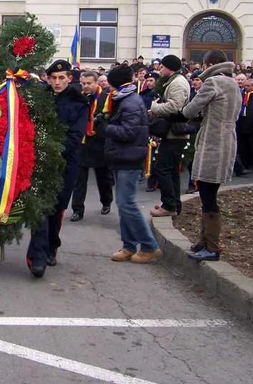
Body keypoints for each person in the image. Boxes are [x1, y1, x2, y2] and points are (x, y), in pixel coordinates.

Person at [26, 60, 88, 277]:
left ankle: (52, 245)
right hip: (39, 163)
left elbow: (75, 136)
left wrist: (53, 150)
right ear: (48, 78)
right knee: (40, 208)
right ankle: (38, 257)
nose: (57, 82)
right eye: (53, 78)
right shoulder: (40, 98)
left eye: (62, 78)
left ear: (70, 79)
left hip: (65, 163)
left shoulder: (79, 103)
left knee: (56, 209)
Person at [178, 50, 241, 262]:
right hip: (227, 139)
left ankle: (212, 247)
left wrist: (189, 106)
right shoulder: (233, 83)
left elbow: (189, 111)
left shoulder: (213, 82)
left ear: (210, 64)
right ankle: (204, 241)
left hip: (213, 141)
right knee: (208, 192)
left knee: (207, 194)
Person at [104, 64, 162, 264]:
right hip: (123, 157)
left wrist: (108, 127)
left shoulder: (130, 102)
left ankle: (149, 246)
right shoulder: (126, 99)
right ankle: (129, 245)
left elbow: (129, 132)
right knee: (123, 204)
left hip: (129, 157)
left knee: (126, 203)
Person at [149, 54, 191, 218]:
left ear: (169, 67)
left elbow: (174, 106)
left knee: (163, 168)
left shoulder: (178, 83)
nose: (159, 69)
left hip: (175, 133)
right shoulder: (175, 81)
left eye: (162, 67)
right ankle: (174, 204)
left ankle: (169, 205)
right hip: (173, 132)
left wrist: (154, 108)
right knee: (171, 170)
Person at [71, 71, 113, 221]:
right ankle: (77, 209)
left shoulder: (106, 98)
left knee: (103, 177)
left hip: (99, 142)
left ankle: (106, 201)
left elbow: (110, 120)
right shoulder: (79, 98)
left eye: (89, 83)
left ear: (96, 83)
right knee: (79, 179)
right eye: (83, 83)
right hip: (82, 142)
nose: (85, 86)